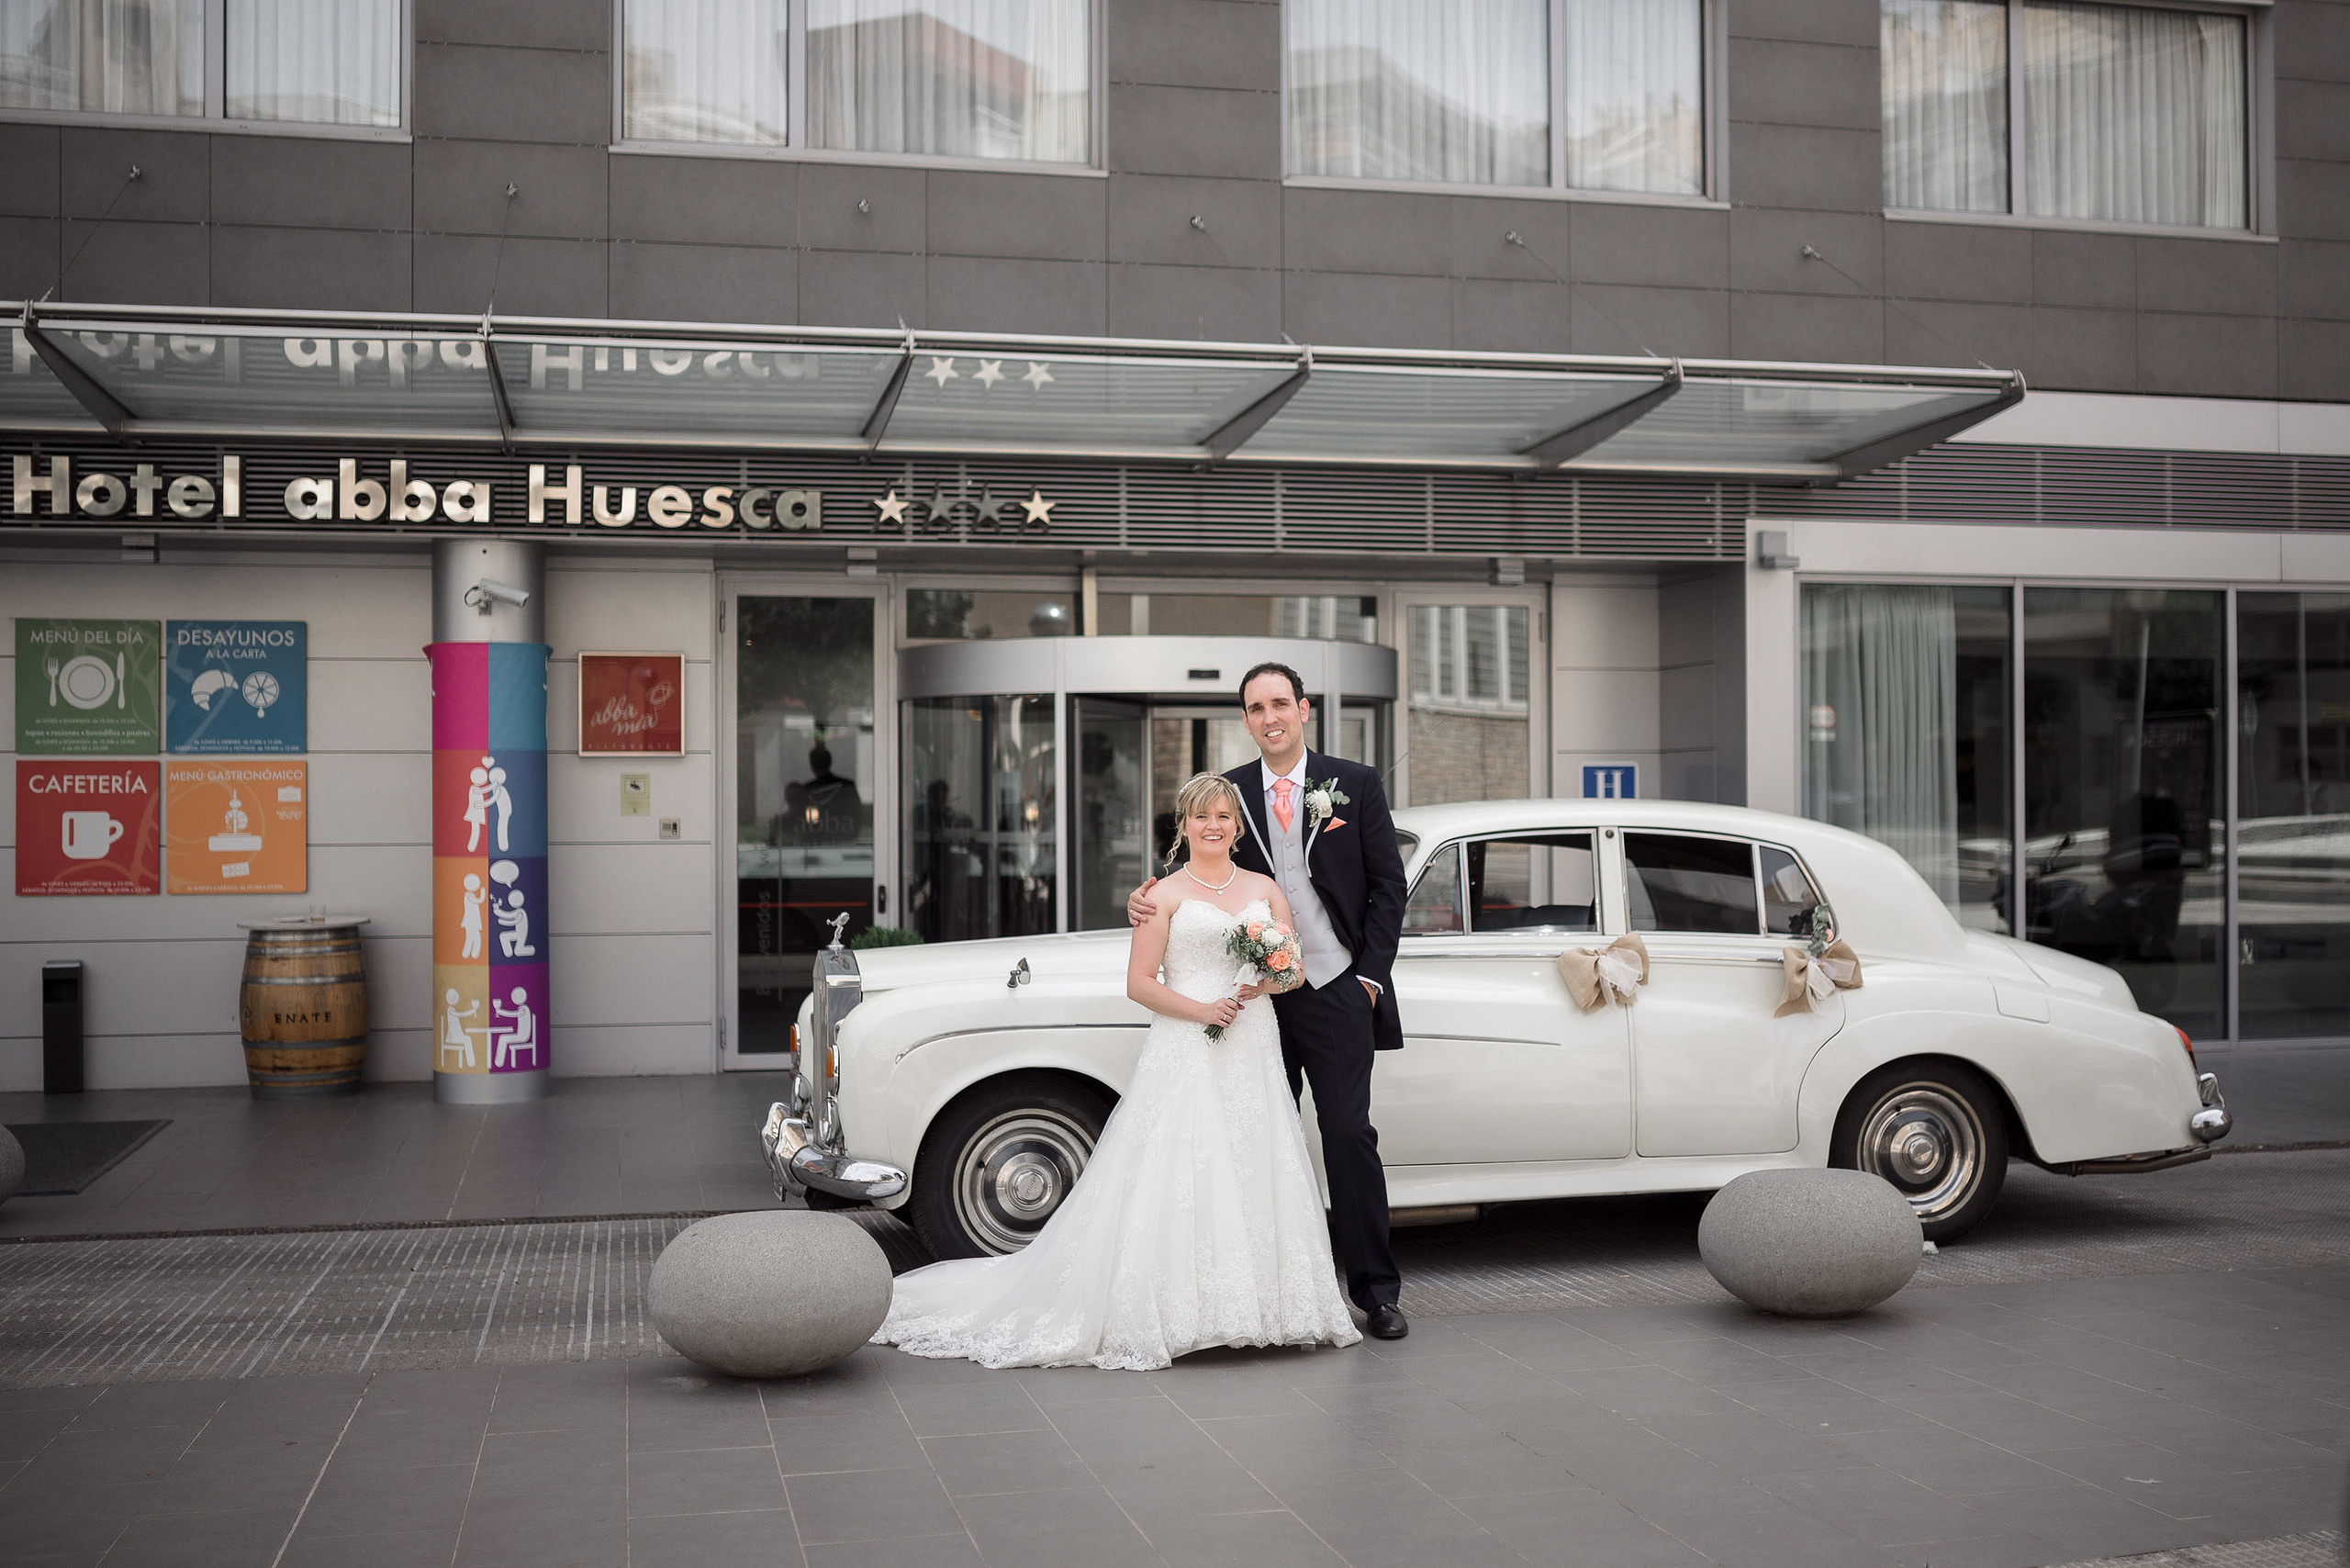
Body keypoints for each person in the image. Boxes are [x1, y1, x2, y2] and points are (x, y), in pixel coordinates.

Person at [873, 773, 1360, 1371]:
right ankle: (1188, 1312)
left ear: (1237, 826)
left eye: (1224, 817)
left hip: (1250, 1041)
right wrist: (1205, 1008)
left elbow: (1295, 974)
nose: (1213, 826)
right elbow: (1139, 984)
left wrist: (1255, 984)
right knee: (1182, 1167)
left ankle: (1266, 1311)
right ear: (1183, 825)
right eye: (1201, 816)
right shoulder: (1162, 895)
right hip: (1188, 1041)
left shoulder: (1264, 888)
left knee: (1252, 1164)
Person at [1127, 662, 1410, 1340]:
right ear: (1247, 720)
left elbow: (1388, 889)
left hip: (1336, 988)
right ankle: (1258, 1292)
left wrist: (1366, 979)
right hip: (1248, 1000)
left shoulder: (1355, 784)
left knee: (1347, 1133)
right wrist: (1147, 894)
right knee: (1250, 1138)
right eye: (1256, 708)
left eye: (1280, 703)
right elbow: (1202, 858)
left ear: (1304, 709)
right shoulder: (1234, 790)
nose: (1269, 716)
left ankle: (1376, 1292)